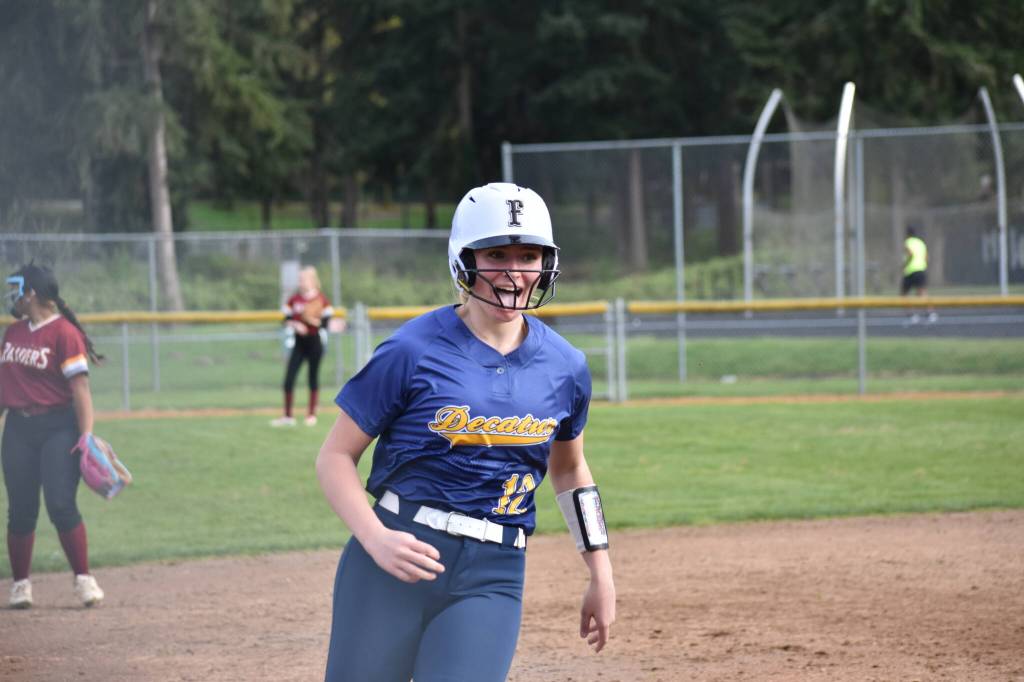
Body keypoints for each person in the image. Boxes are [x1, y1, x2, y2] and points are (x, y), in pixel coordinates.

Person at [315, 182, 616, 681]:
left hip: (495, 573)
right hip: (395, 558)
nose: (514, 273)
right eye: (496, 254)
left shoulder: (566, 366)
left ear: (547, 263)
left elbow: (569, 470)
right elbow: (334, 457)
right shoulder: (411, 350)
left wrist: (600, 570)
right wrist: (375, 537)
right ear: (464, 260)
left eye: (528, 256)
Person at [1, 263, 105, 609]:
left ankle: (83, 578)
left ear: (31, 293)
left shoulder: (64, 333)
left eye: (16, 288)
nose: (12, 295)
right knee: (20, 509)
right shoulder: (12, 333)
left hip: (58, 428)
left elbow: (81, 390)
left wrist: (86, 437)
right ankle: (20, 586)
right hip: (18, 428)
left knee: (60, 504)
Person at [271, 266, 334, 427]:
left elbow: (325, 323)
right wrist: (296, 324)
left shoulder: (321, 299)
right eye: (299, 279)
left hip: (314, 343)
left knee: (312, 377)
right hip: (299, 343)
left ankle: (311, 415)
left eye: (303, 279)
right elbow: (286, 319)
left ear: (312, 280)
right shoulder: (295, 299)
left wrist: (312, 320)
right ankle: (288, 416)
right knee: (289, 379)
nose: (300, 282)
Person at [901, 225, 936, 324]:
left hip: (911, 271)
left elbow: (910, 254)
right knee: (922, 293)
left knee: (904, 294)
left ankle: (912, 315)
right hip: (921, 270)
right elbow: (927, 257)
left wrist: (905, 265)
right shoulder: (921, 243)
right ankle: (931, 313)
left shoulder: (908, 242)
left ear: (907, 234)